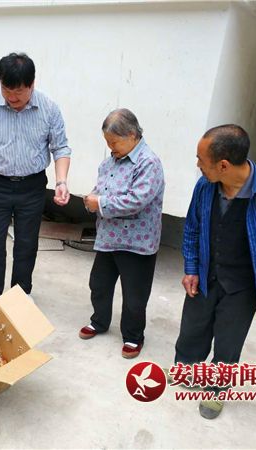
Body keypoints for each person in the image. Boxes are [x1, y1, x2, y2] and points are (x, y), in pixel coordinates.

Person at [173, 124, 256, 419]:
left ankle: (216, 390)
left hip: (242, 285)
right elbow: (192, 227)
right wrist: (192, 267)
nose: (198, 165)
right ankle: (188, 370)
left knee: (229, 339)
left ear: (223, 165)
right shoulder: (205, 186)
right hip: (206, 272)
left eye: (201, 160)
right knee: (193, 326)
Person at [0, 52, 71, 301]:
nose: (12, 98)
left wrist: (61, 181)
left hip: (32, 186)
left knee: (26, 245)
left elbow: (61, 148)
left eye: (19, 92)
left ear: (32, 84)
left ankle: (20, 296)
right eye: (6, 90)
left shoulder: (49, 108)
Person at [80, 109, 165, 359]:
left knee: (134, 295)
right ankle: (99, 321)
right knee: (99, 284)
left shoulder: (148, 163)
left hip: (136, 242)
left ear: (132, 136)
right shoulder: (109, 163)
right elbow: (102, 189)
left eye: (114, 142)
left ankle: (133, 336)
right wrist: (92, 198)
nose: (110, 148)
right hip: (109, 237)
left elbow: (137, 200)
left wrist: (100, 203)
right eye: (107, 142)